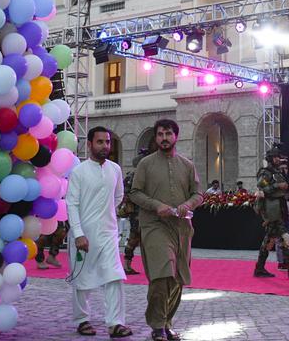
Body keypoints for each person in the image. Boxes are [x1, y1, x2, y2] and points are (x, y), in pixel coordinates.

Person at [130, 119, 204, 341]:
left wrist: (187, 205)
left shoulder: (187, 165)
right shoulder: (146, 164)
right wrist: (156, 206)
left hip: (181, 228)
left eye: (168, 134)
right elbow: (135, 193)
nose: (164, 138)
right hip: (154, 226)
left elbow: (198, 194)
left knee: (177, 278)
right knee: (162, 274)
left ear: (176, 136)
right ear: (156, 138)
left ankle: (167, 321)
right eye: (160, 134)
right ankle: (157, 325)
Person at [65, 126, 133, 338]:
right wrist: (78, 233)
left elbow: (118, 196)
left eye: (108, 142)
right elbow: (71, 204)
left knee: (114, 276)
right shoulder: (78, 171)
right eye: (100, 142)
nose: (105, 146)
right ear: (90, 144)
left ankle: (115, 323)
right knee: (82, 279)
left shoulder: (115, 169)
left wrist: (105, 216)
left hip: (109, 234)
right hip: (83, 235)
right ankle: (82, 320)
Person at [254, 146, 289, 279]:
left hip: (279, 209)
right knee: (285, 237)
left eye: (278, 156)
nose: (278, 159)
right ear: (270, 159)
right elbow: (262, 188)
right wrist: (278, 186)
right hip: (272, 211)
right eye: (276, 157)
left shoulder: (278, 172)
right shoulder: (265, 173)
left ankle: (259, 268)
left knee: (269, 239)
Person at [120, 150, 148, 275]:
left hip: (141, 211)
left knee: (137, 238)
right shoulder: (135, 176)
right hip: (138, 212)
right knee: (134, 238)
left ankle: (127, 264)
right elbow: (126, 194)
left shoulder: (133, 175)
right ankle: (126, 264)